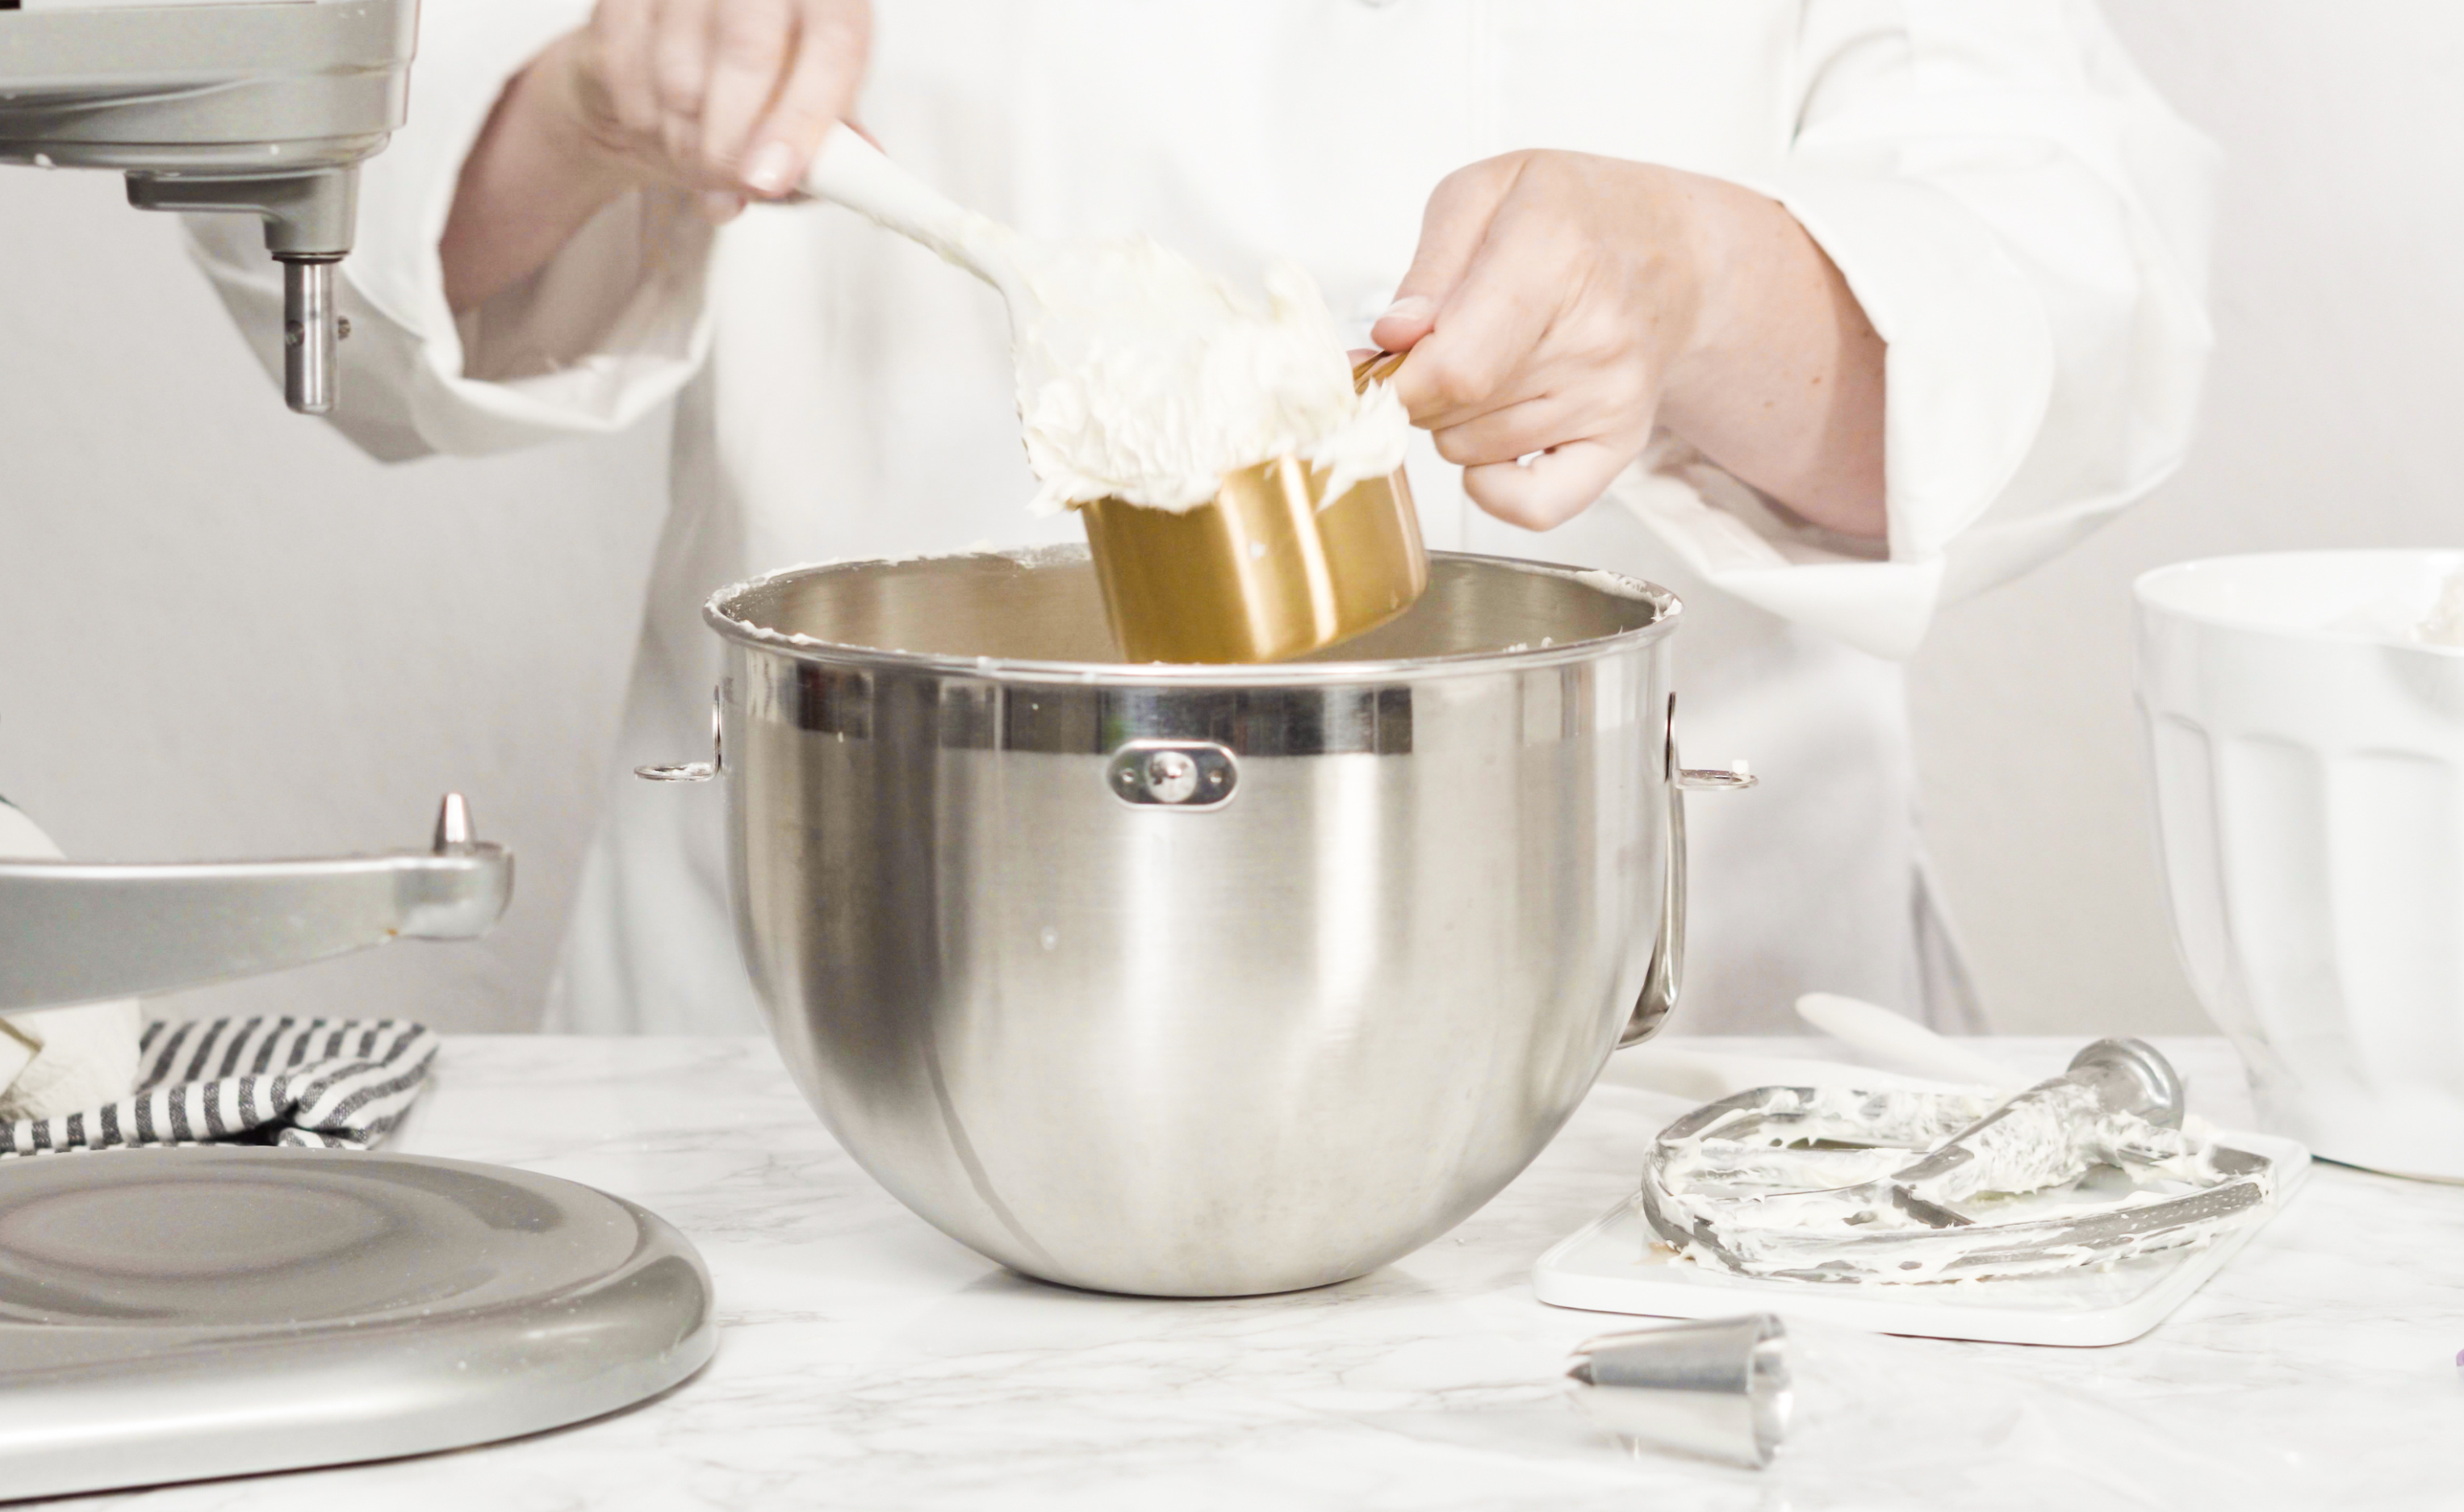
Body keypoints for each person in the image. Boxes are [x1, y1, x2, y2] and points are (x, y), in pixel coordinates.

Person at [188, 0, 2211, 1037]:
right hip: (852, 1049)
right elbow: (342, 207)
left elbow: (2058, 290)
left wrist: (1697, 297)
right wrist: (586, 101)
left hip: (1663, 1083)